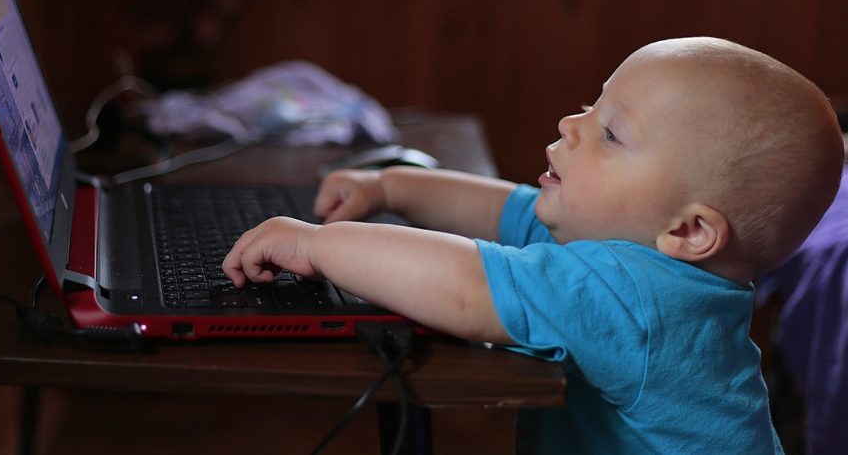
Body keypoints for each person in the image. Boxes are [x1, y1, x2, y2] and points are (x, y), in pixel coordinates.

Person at [222, 37, 845, 453]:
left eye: (611, 134)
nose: (571, 125)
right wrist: (389, 186)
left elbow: (465, 288)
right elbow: (505, 209)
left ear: (689, 231)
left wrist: (319, 246)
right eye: (591, 106)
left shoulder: (636, 296)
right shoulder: (641, 252)